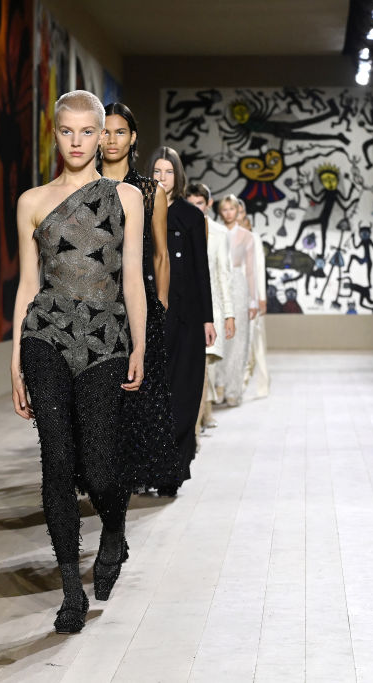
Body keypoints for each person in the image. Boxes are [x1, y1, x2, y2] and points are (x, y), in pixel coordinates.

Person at [11, 91, 147, 634]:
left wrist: (140, 345)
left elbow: (132, 278)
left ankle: (113, 528)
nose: (77, 141)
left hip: (106, 338)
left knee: (100, 467)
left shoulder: (127, 198)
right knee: (56, 460)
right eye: (66, 131)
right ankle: (71, 589)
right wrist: (15, 359)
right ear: (55, 133)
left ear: (101, 135)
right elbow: (27, 285)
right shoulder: (32, 201)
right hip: (45, 334)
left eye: (87, 131)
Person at [99, 102, 180, 493]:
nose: (112, 140)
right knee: (100, 388)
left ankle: (141, 471)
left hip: (139, 300)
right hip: (93, 301)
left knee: (142, 389)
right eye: (105, 131)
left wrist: (160, 302)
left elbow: (161, 254)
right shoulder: (81, 188)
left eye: (120, 132)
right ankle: (103, 469)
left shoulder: (151, 191)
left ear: (132, 138)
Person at [149, 146, 215, 493]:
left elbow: (201, 269)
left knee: (184, 392)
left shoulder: (190, 215)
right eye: (157, 171)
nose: (162, 178)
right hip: (149, 311)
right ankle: (148, 467)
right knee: (151, 392)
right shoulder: (140, 207)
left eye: (168, 171)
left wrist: (208, 318)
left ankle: (173, 470)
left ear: (178, 175)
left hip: (186, 313)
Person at [186, 182, 235, 436]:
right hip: (184, 308)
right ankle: (201, 416)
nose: (195, 209)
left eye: (200, 204)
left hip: (210, 309)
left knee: (203, 367)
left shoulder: (219, 233)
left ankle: (195, 430)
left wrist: (229, 313)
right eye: (191, 204)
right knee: (192, 368)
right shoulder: (177, 226)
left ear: (208, 204)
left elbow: (223, 275)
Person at [216, 194, 257, 406]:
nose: (229, 213)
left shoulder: (246, 236)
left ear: (237, 211)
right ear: (220, 212)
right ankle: (219, 387)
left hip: (239, 286)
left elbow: (251, 269)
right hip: (218, 285)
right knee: (220, 338)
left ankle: (234, 390)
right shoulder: (214, 232)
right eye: (225, 209)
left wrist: (253, 301)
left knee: (238, 340)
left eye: (232, 209)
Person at [242, 200, 270, 399]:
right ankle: (240, 383)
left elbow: (259, 268)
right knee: (242, 343)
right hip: (237, 296)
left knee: (257, 343)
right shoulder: (228, 237)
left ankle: (262, 385)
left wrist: (262, 298)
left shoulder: (253, 239)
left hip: (252, 296)